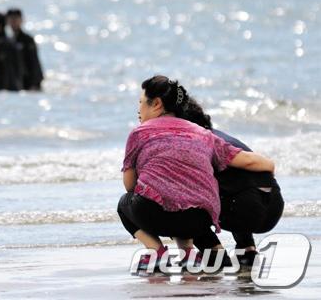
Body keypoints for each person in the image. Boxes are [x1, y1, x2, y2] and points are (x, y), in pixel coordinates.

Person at [117, 75, 275, 273]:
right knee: (186, 199)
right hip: (200, 221)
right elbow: (251, 160)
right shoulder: (203, 134)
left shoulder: (139, 133)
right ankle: (191, 255)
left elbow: (129, 185)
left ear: (156, 104)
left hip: (153, 214)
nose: (138, 109)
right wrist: (269, 165)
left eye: (140, 103)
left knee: (125, 203)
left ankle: (157, 252)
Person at [181, 101, 284, 267]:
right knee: (234, 184)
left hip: (247, 209)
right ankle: (246, 250)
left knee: (177, 196)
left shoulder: (197, 142)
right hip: (274, 205)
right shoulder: (223, 137)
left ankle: (213, 251)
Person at [6, 9, 44, 91]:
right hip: (17, 84)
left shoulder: (27, 40)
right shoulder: (9, 41)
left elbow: (34, 62)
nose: (13, 22)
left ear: (21, 20)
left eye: (16, 19)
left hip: (30, 83)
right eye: (11, 19)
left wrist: (35, 83)